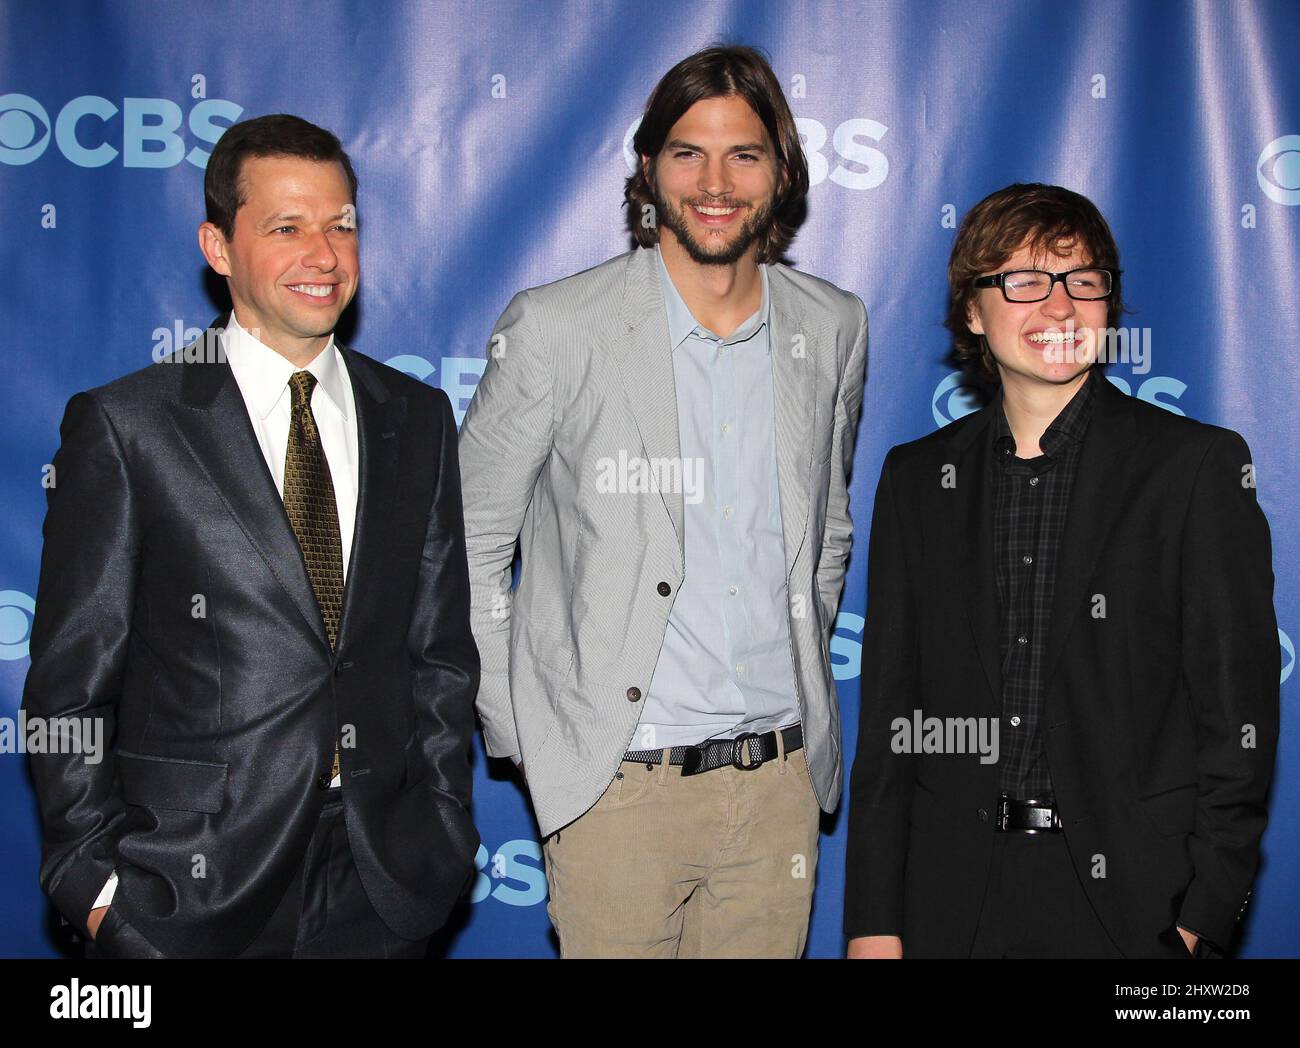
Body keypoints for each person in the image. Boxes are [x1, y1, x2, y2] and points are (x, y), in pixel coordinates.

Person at [22, 114, 480, 959]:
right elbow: (68, 688)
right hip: (189, 891)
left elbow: (440, 651)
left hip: (383, 879)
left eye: (342, 225)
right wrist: (95, 887)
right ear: (218, 246)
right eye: (287, 227)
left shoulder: (414, 418)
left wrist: (443, 824)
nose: (324, 254)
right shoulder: (131, 426)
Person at [459, 45, 867, 958]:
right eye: (688, 153)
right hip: (618, 791)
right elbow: (468, 542)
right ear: (648, 169)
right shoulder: (558, 328)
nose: (715, 182)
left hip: (779, 786)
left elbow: (828, 527)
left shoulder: (833, 325)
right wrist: (530, 732)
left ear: (783, 172)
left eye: (745, 154)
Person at [844, 183, 1278, 958]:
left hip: (1134, 909)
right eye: (1024, 281)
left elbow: (1236, 723)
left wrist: (1200, 918)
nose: (1059, 307)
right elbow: (891, 727)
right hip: (951, 901)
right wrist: (875, 920)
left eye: (1083, 281)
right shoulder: (918, 480)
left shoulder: (1193, 469)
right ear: (972, 313)